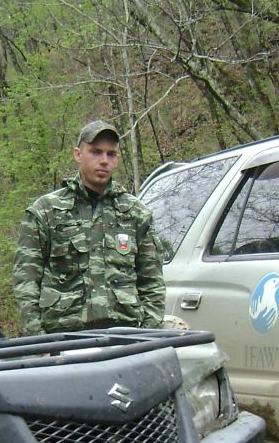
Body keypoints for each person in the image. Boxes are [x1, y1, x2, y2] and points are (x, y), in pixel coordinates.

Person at [13, 120, 166, 335]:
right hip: (64, 337)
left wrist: (148, 335)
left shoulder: (135, 213)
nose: (104, 161)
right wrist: (38, 338)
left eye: (111, 154)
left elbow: (152, 283)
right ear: (78, 154)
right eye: (95, 152)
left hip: (125, 335)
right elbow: (26, 280)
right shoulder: (45, 212)